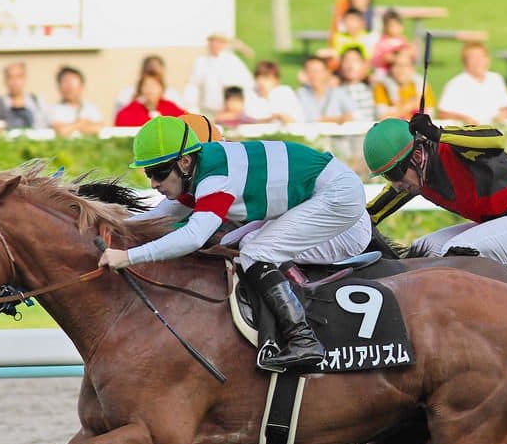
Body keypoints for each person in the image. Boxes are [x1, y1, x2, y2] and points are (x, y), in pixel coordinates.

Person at [98, 116, 371, 370]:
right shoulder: (198, 170)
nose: (154, 183)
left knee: (255, 252)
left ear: (184, 163)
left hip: (338, 197)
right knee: (242, 244)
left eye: (158, 172)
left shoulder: (216, 178)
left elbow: (194, 237)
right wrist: (105, 229)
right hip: (322, 192)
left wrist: (128, 257)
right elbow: (157, 217)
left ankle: (303, 339)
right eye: (148, 174)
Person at [364, 114, 507, 266]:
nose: (396, 184)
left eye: (395, 174)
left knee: (457, 251)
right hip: (500, 224)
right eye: (387, 176)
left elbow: (496, 139)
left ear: (416, 155)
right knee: (422, 251)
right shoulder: (416, 177)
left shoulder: (454, 150)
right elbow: (370, 215)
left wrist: (438, 133)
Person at [436, 42, 507, 125]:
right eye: (473, 58)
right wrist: (464, 118)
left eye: (481, 56)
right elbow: (443, 114)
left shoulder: (496, 79)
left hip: (495, 129)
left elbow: (506, 108)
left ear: (488, 59)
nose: (478, 61)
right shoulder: (456, 84)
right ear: (465, 62)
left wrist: (501, 117)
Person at [183, 33, 255, 117]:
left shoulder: (233, 61)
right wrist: (190, 105)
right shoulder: (201, 62)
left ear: (224, 44)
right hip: (207, 109)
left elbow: (247, 83)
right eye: (212, 41)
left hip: (229, 111)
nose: (215, 44)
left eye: (219, 42)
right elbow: (193, 85)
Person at [373, 46, 435, 120]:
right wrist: (409, 106)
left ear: (413, 68)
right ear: (390, 69)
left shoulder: (421, 86)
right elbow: (382, 118)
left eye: (406, 65)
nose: (402, 70)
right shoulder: (382, 87)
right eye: (397, 65)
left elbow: (430, 116)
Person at [114, 70, 188, 127]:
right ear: (140, 89)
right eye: (146, 85)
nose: (150, 89)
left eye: (154, 85)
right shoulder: (130, 111)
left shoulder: (170, 107)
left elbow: (187, 121)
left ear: (161, 89)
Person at [48, 65, 104, 137]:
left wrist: (71, 126)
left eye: (72, 83)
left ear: (81, 86)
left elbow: (99, 128)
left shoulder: (91, 107)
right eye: (65, 82)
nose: (69, 87)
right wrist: (81, 123)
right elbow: (61, 131)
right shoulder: (54, 109)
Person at [297, 56, 355, 123]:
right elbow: (308, 118)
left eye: (317, 71)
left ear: (327, 72)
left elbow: (354, 115)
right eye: (309, 71)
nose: (313, 75)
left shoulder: (338, 92)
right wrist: (340, 119)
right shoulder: (301, 93)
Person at [0, 61, 48, 130]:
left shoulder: (38, 102)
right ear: (5, 80)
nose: (14, 81)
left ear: (25, 78)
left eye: (18, 77)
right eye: (10, 77)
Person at [336, 46, 377, 122]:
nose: (350, 65)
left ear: (364, 64)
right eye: (346, 61)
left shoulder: (374, 87)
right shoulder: (335, 90)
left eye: (355, 61)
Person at [370, 9, 409, 75]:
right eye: (392, 26)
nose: (395, 29)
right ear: (385, 27)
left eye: (397, 25)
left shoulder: (402, 40)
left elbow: (407, 52)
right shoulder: (382, 42)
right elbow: (377, 59)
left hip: (400, 70)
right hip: (385, 71)